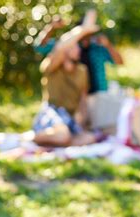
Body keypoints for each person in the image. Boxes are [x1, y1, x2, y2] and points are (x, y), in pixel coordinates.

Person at [34, 10, 124, 135]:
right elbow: (41, 47)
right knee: (66, 134)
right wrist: (53, 28)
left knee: (94, 133)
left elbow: (119, 61)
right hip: (59, 109)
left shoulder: (93, 53)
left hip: (94, 97)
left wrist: (108, 45)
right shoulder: (62, 53)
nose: (78, 48)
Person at [32, 19, 101, 147]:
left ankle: (62, 140)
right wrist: (83, 29)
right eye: (74, 46)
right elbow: (60, 46)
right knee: (63, 135)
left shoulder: (82, 70)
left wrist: (81, 121)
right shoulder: (51, 66)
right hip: (52, 112)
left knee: (90, 138)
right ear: (65, 51)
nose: (78, 49)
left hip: (69, 117)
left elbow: (83, 100)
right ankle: (32, 137)